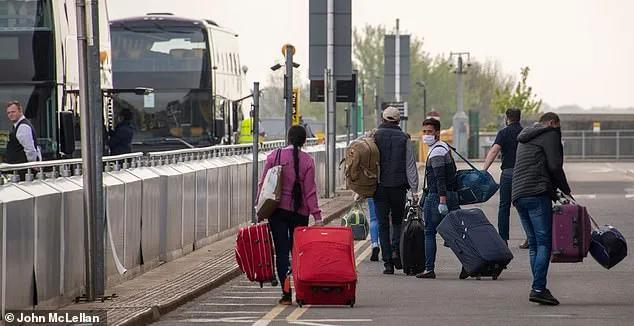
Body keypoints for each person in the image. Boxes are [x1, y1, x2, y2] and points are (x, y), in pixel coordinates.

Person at [257, 125, 322, 305]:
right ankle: (301, 291)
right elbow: (310, 192)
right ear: (304, 141)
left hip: (276, 211)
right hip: (300, 213)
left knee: (282, 252)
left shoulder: (274, 156)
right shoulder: (308, 161)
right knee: (299, 253)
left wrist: (259, 209)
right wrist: (317, 217)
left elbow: (263, 184)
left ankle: (286, 294)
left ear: (288, 138)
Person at [512, 112, 572, 306]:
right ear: (553, 123)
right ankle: (538, 288)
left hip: (519, 195)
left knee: (535, 245)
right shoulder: (551, 134)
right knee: (544, 243)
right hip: (537, 194)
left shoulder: (526, 135)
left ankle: (538, 287)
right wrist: (566, 190)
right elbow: (554, 166)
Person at [372, 106, 419, 275]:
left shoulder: (374, 136)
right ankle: (395, 251)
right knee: (398, 222)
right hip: (398, 187)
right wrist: (414, 190)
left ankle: (387, 264)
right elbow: (410, 166)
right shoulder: (404, 138)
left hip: (379, 187)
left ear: (382, 119)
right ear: (399, 121)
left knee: (383, 224)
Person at [416, 117, 461, 279]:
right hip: (450, 194)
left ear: (437, 133)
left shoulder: (436, 151)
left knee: (429, 232)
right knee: (456, 231)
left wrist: (442, 200)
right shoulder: (443, 147)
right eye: (424, 132)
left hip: (437, 196)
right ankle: (468, 263)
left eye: (430, 132)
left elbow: (440, 177)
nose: (426, 135)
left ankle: (429, 268)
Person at [482, 108, 527, 248]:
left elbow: (494, 150)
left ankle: (503, 240)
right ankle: (530, 237)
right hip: (524, 174)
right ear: (519, 118)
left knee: (504, 207)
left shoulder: (503, 133)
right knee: (524, 206)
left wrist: (483, 170)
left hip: (508, 173)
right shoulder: (525, 132)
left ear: (507, 117)